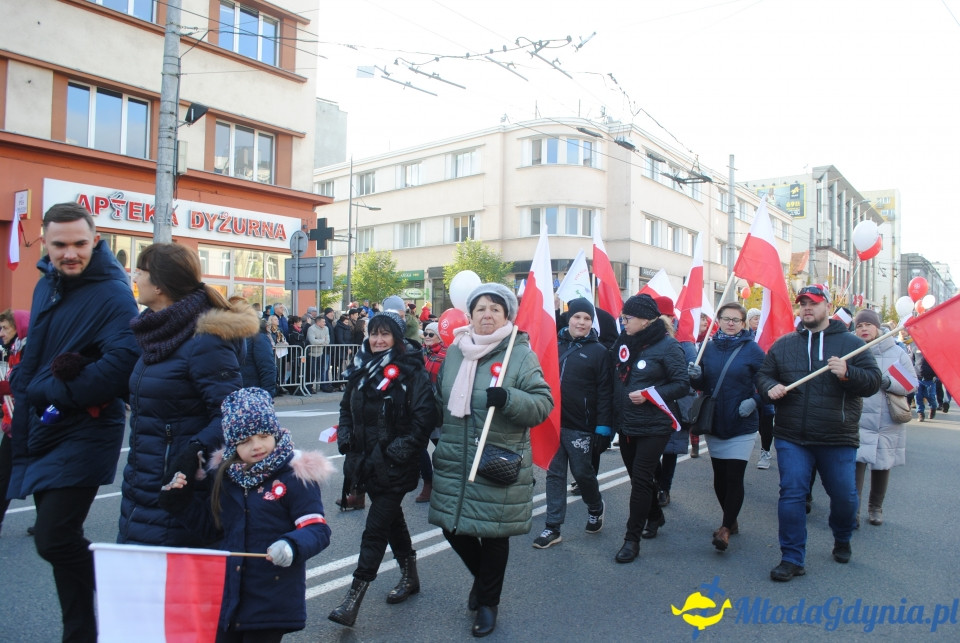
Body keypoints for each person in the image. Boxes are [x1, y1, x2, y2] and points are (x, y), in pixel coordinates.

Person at [7, 202, 140, 642]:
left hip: (84, 427)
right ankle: (79, 634)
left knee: (54, 538)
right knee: (61, 544)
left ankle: (134, 596)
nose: (70, 253)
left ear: (95, 241)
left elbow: (120, 365)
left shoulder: (114, 293)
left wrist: (51, 390)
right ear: (44, 242)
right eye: (60, 244)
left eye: (80, 244)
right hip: (41, 423)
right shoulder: (47, 283)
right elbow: (40, 352)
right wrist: (31, 397)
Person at [160, 387, 332, 641]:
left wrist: (291, 545)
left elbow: (317, 529)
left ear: (274, 432)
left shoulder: (295, 475)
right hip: (229, 597)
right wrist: (179, 503)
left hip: (271, 598)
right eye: (244, 441)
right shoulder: (226, 478)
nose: (256, 446)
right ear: (233, 444)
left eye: (263, 436)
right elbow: (212, 529)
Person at [430, 283, 553, 638]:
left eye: (495, 309)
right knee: (450, 525)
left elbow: (542, 404)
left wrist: (510, 397)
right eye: (481, 308)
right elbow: (441, 399)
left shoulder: (520, 353)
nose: (487, 315)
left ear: (506, 315)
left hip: (498, 457)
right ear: (470, 315)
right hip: (455, 455)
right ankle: (484, 581)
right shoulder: (456, 351)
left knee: (494, 535)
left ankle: (488, 603)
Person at [120, 242, 257, 547]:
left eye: (139, 272)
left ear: (158, 284)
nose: (134, 278)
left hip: (181, 489)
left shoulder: (204, 341)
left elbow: (231, 414)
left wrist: (192, 450)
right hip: (141, 486)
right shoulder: (156, 334)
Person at [757, 284, 881, 581]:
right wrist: (768, 388)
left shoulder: (852, 344)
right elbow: (764, 375)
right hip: (792, 435)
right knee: (792, 494)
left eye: (812, 302)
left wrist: (848, 373)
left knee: (844, 496)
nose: (806, 308)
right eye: (802, 303)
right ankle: (792, 558)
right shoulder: (784, 344)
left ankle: (842, 536)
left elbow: (874, 381)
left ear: (827, 305)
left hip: (836, 436)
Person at [328, 311, 437, 628]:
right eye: (373, 334)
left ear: (397, 339)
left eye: (385, 334)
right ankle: (410, 575)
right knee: (391, 522)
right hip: (364, 463)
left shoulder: (412, 372)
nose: (377, 340)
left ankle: (352, 600)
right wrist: (346, 437)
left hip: (394, 464)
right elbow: (346, 408)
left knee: (375, 529)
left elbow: (424, 420)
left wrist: (397, 451)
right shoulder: (360, 368)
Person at [610, 294, 689, 564]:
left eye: (627, 318)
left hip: (655, 425)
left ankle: (631, 540)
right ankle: (655, 515)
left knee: (641, 480)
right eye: (622, 318)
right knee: (638, 478)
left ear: (645, 320)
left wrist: (649, 394)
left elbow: (682, 384)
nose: (623, 323)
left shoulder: (669, 347)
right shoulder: (624, 342)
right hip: (627, 423)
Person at [534, 297, 612, 549]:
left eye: (587, 318)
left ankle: (595, 506)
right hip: (552, 422)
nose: (581, 322)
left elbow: (605, 392)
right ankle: (552, 527)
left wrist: (602, 427)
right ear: (569, 318)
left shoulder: (599, 352)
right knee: (555, 474)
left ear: (592, 322)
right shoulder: (553, 344)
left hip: (582, 425)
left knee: (582, 473)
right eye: (577, 316)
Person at [688, 303, 765, 551]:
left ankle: (724, 528)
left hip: (741, 422)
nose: (731, 323)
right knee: (719, 478)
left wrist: (754, 401)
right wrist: (696, 375)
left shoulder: (752, 350)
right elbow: (703, 384)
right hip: (715, 420)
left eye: (736, 319)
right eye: (726, 318)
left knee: (734, 476)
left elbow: (767, 382)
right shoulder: (707, 348)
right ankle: (732, 520)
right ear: (718, 320)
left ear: (743, 324)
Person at [853, 309, 915, 527]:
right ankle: (854, 511)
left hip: (886, 419)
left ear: (877, 327)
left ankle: (875, 507)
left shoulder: (896, 353)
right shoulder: (851, 350)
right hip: (858, 418)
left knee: (882, 465)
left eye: (868, 325)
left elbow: (911, 384)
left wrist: (886, 382)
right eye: (859, 325)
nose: (864, 329)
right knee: (856, 465)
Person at [0, 309, 28, 535]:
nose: (1, 333)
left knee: (6, 474)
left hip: (28, 424)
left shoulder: (28, 351)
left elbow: (23, 387)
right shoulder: (15, 350)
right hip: (14, 422)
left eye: (5, 328)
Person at [416, 321, 447, 503]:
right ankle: (428, 482)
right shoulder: (420, 353)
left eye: (431, 334)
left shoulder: (447, 355)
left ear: (440, 337)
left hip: (439, 407)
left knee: (441, 446)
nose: (427, 337)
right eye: (425, 334)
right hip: (421, 406)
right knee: (419, 446)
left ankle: (449, 477)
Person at [241, 319, 278, 397]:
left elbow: (268, 368)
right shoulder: (238, 338)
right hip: (243, 390)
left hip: (253, 391)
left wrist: (267, 396)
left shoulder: (259, 338)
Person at [307, 314, 334, 393]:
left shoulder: (326, 328)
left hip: (320, 353)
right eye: (323, 322)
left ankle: (316, 386)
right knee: (311, 372)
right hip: (311, 354)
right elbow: (312, 341)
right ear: (318, 323)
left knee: (318, 371)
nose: (324, 323)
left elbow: (327, 341)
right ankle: (309, 387)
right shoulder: (311, 329)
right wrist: (322, 340)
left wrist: (320, 341)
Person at [915, 351, 938, 421]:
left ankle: (933, 407)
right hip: (918, 378)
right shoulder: (915, 348)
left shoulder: (933, 349)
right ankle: (920, 413)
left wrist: (937, 376)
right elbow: (911, 361)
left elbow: (939, 363)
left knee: (930, 396)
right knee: (918, 396)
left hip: (930, 379)